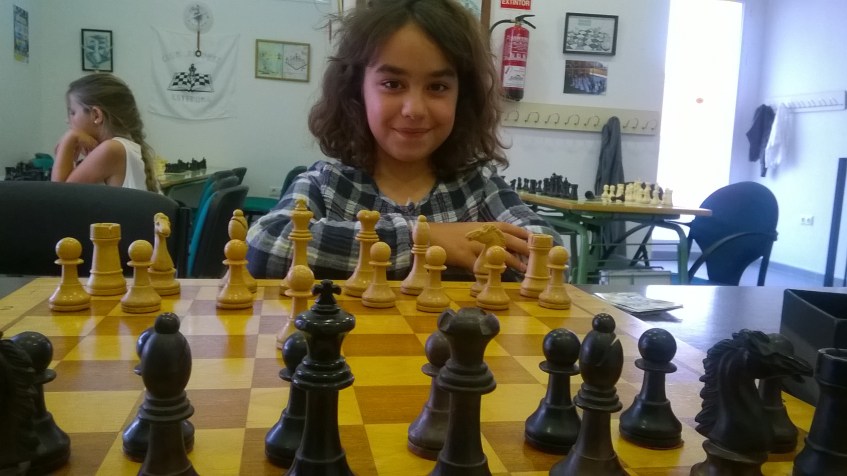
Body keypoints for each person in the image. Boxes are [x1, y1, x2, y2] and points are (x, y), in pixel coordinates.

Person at [247, 0, 562, 280]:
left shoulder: (479, 188)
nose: (414, 109)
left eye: (437, 87)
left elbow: (548, 253)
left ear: (462, 98)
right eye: (392, 84)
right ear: (356, 90)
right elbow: (264, 244)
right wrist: (425, 239)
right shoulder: (327, 185)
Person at [51, 73, 159, 192]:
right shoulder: (121, 147)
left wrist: (69, 138)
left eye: (72, 112)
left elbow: (59, 194)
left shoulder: (112, 149)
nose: (67, 120)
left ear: (96, 115)